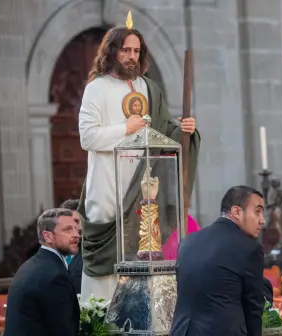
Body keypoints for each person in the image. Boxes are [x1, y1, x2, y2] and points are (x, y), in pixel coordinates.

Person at [77, 13, 200, 301]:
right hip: (109, 189)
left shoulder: (148, 88)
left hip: (143, 191)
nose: (131, 57)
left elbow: (164, 130)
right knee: (108, 272)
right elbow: (87, 138)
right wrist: (125, 128)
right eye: (125, 50)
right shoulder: (96, 89)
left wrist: (185, 129)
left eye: (136, 51)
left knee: (141, 267)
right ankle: (101, 324)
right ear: (112, 52)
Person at [170, 186, 273, 336]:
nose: (262, 220)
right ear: (237, 212)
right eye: (257, 211)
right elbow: (253, 309)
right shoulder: (249, 248)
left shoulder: (188, 242)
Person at [3, 208, 80, 336]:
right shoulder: (55, 275)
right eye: (68, 230)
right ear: (48, 236)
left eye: (76, 229)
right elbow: (63, 331)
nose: (76, 234)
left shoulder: (32, 264)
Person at [60, 199, 83, 294]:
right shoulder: (53, 253)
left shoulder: (91, 255)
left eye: (78, 222)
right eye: (72, 223)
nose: (79, 227)